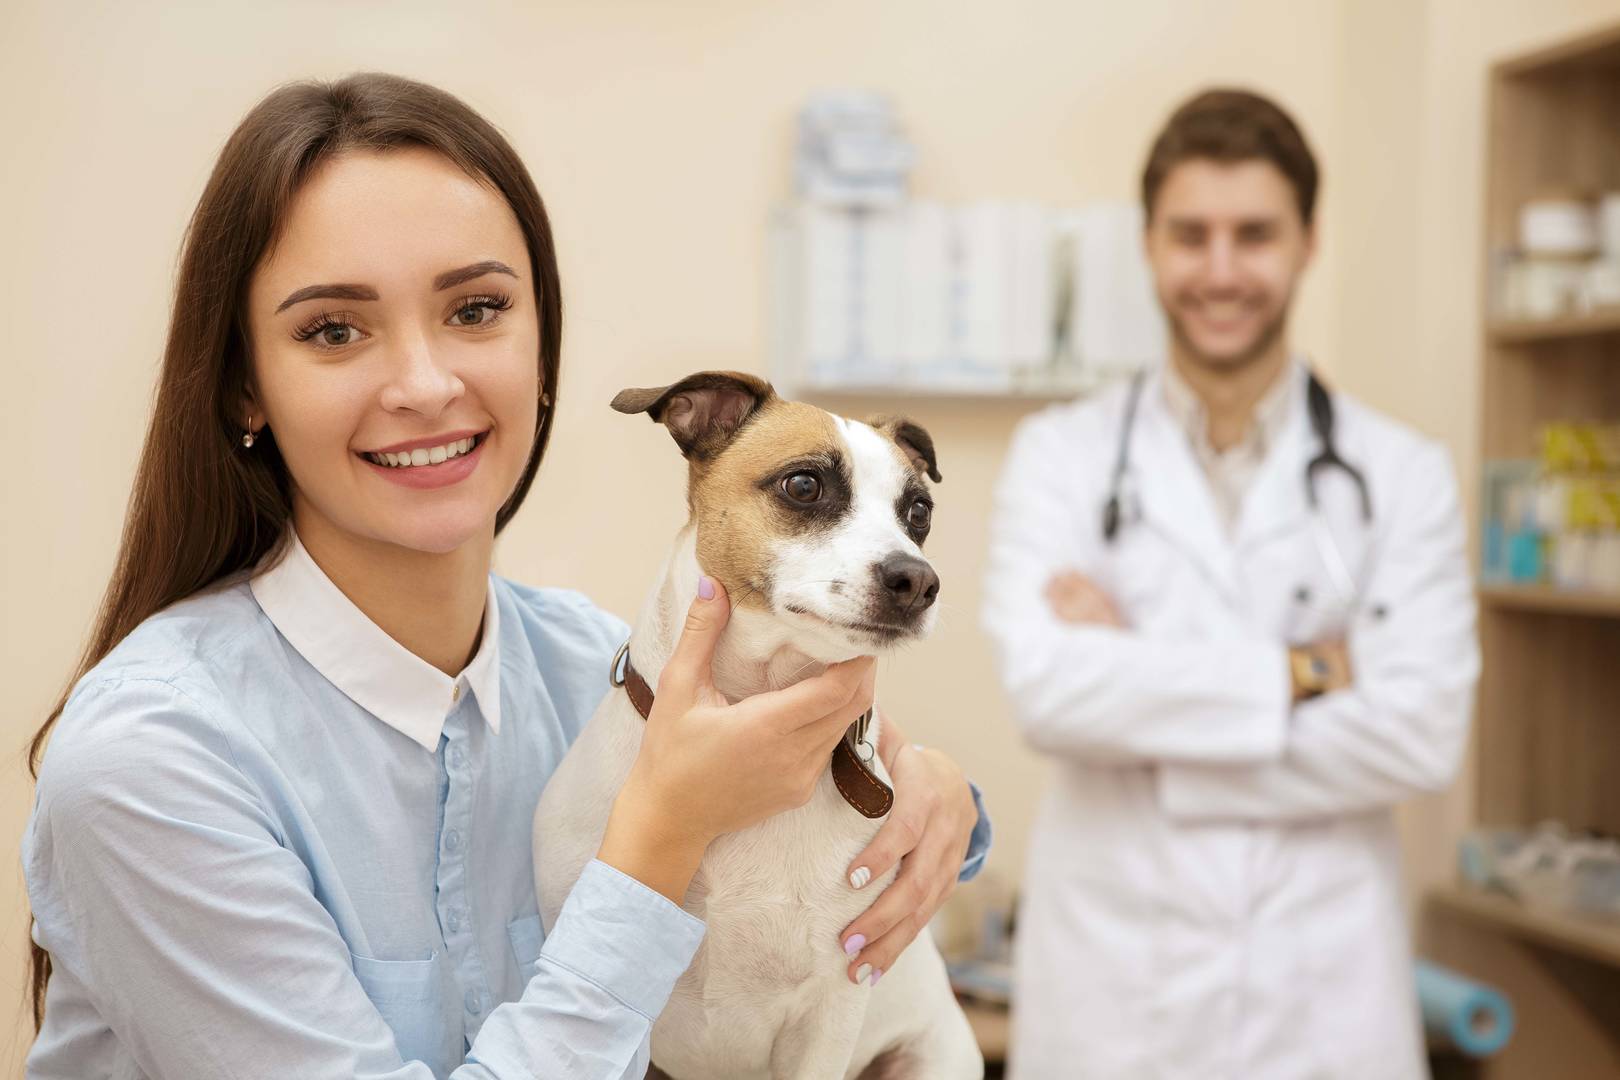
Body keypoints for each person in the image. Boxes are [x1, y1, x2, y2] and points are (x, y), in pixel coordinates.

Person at [20, 73, 990, 1079]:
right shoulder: (152, 769)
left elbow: (806, 795)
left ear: (542, 355)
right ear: (244, 389)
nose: (427, 383)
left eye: (476, 309)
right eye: (333, 330)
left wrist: (937, 795)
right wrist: (662, 838)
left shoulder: (590, 668)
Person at [982, 88, 1478, 1079]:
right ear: (1150, 243)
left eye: (1253, 234)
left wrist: (1137, 692)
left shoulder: (1401, 474)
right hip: (1114, 997)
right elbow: (1048, 694)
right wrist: (1309, 672)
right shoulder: (1059, 459)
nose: (1219, 271)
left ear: (1307, 242)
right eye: (1190, 234)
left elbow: (1420, 732)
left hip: (1323, 992)